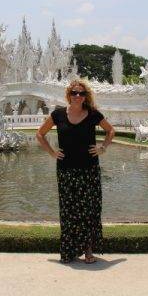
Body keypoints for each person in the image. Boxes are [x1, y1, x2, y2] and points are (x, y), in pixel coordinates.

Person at [36, 79, 115, 264]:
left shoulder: (93, 114)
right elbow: (40, 134)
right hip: (66, 170)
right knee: (69, 210)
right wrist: (52, 152)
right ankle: (69, 251)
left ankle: (88, 251)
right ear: (69, 95)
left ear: (85, 96)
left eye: (81, 93)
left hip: (89, 169)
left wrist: (103, 147)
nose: (78, 96)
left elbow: (111, 131)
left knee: (89, 210)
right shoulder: (58, 115)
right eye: (74, 93)